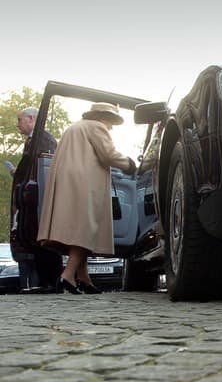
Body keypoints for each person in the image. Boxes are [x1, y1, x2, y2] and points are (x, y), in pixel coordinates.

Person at [37, 102, 136, 294]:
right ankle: (68, 275)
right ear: (102, 116)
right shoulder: (96, 126)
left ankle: (84, 278)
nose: (112, 126)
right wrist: (130, 165)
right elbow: (108, 155)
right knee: (87, 228)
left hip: (67, 182)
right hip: (85, 182)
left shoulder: (74, 127)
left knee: (77, 229)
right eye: (111, 120)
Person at [10, 107, 61, 293]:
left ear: (31, 119)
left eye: (19, 120)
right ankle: (46, 282)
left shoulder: (44, 139)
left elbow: (44, 168)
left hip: (39, 199)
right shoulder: (34, 140)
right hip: (33, 198)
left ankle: (50, 282)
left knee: (43, 237)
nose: (17, 124)